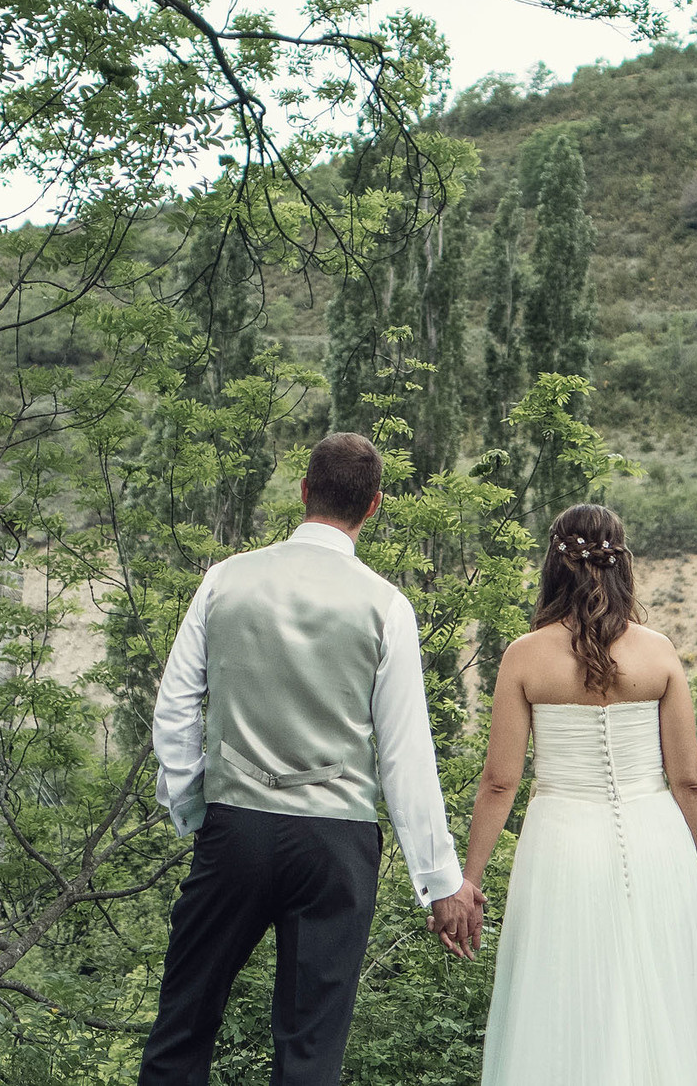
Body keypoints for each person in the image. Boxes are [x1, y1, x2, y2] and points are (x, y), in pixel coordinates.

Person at [140, 431, 486, 1085]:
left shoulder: (223, 580)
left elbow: (176, 707)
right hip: (335, 843)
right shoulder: (387, 605)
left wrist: (194, 810)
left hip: (235, 826)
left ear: (303, 490)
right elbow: (406, 755)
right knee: (309, 1054)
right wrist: (440, 883)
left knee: (181, 1028)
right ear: (374, 505)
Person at [461, 503, 697, 1086]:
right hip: (658, 844)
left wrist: (469, 880)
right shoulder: (659, 652)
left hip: (561, 845)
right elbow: (688, 780)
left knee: (565, 1001)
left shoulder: (524, 656)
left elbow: (500, 781)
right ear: (622, 562)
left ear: (553, 564)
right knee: (665, 1002)